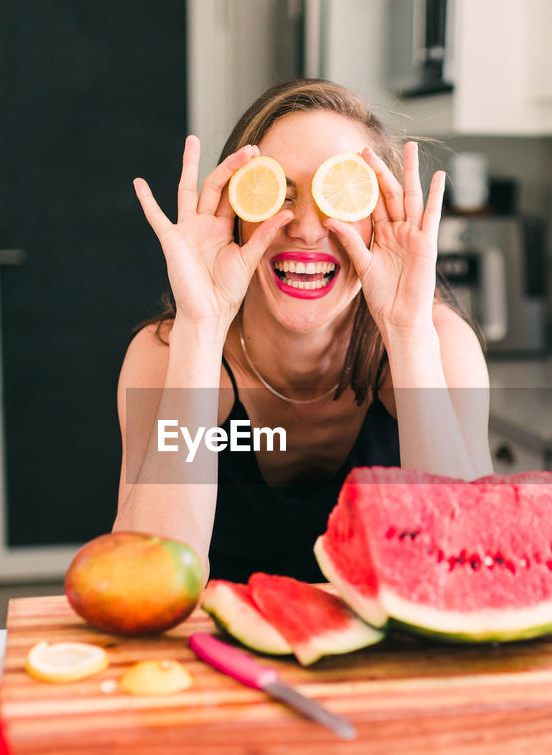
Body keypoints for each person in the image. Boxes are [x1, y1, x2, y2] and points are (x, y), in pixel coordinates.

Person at [115, 79, 491, 583]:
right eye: (278, 195)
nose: (308, 229)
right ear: (235, 216)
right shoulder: (163, 354)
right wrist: (201, 331)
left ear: (381, 219)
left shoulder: (441, 347)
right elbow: (145, 581)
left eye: (342, 199)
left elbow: (471, 568)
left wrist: (407, 334)